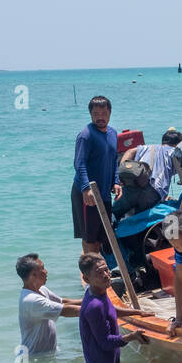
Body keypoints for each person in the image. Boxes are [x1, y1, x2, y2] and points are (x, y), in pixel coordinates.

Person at [78, 253, 148, 363]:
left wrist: (137, 312)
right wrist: (132, 336)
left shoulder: (98, 293)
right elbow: (105, 342)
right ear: (86, 279)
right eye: (99, 272)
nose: (106, 275)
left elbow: (110, 310)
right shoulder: (94, 306)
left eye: (106, 269)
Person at [71, 96, 123, 255]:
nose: (100, 117)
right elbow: (79, 163)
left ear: (110, 112)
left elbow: (114, 160)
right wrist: (86, 188)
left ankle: (96, 272)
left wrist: (116, 182)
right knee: (90, 240)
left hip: (104, 194)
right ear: (90, 114)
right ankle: (90, 276)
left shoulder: (113, 133)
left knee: (102, 237)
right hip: (87, 194)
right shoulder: (86, 135)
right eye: (96, 114)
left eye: (104, 113)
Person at [114, 128, 182, 220]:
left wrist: (120, 173)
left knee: (114, 214)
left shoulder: (146, 147)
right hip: (154, 192)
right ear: (178, 145)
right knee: (140, 219)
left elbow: (130, 151)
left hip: (132, 187)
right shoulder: (175, 152)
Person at [17, 253, 80, 355]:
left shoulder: (41, 289)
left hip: (47, 353)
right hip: (34, 359)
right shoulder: (31, 300)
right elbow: (68, 310)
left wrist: (91, 297)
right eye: (43, 268)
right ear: (33, 275)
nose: (46, 271)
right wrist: (101, 308)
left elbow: (63, 302)